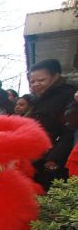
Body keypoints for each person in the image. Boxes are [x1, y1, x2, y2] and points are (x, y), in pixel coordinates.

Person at [27, 59, 78, 189]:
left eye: (41, 80)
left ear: (55, 77)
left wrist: (54, 158)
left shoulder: (69, 95)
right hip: (37, 155)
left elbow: (69, 130)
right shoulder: (38, 99)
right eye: (32, 81)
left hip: (55, 159)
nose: (36, 84)